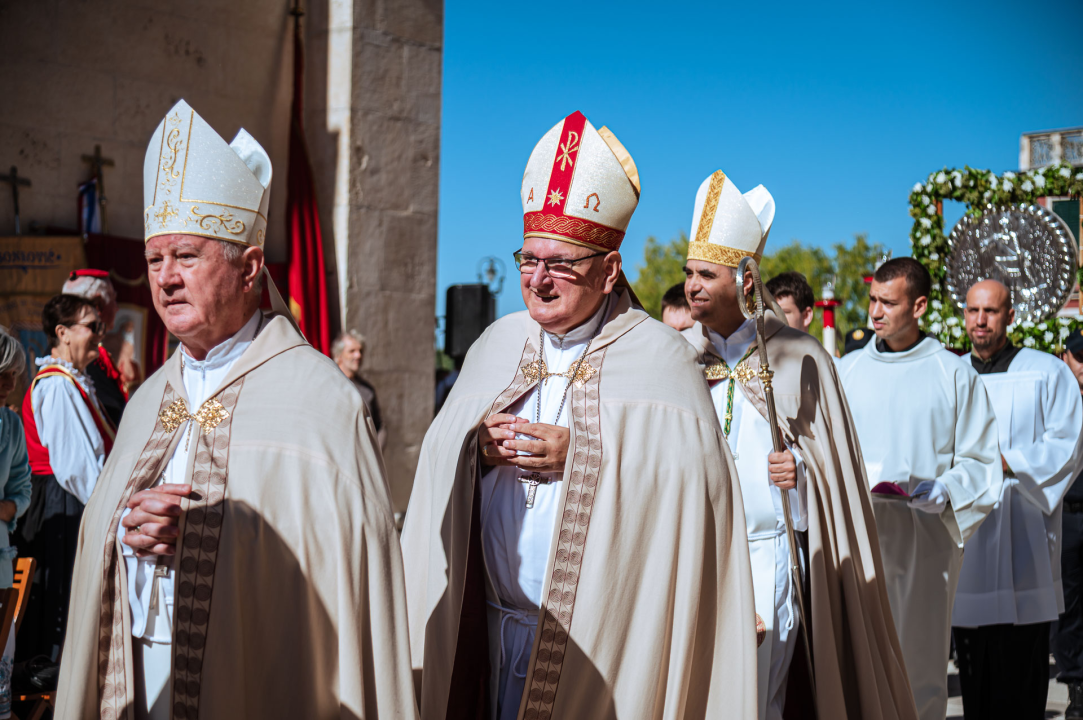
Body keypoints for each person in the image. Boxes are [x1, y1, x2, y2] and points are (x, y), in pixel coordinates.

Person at [55, 100, 416, 720]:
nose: (165, 279)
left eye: (187, 257)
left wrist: (209, 540)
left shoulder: (320, 400)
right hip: (141, 675)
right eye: (153, 260)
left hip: (268, 682)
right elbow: (100, 542)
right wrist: (125, 534)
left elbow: (347, 572)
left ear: (249, 268)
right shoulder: (147, 401)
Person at [401, 111, 757, 720]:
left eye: (561, 262)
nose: (538, 280)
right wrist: (473, 451)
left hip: (607, 649)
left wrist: (586, 454)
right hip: (488, 634)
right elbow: (435, 467)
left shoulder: (661, 357)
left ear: (609, 269)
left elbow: (696, 496)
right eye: (528, 259)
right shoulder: (495, 344)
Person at [681, 170, 916, 720]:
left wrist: (802, 473)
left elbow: (833, 471)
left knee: (759, 702)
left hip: (767, 556)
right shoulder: (678, 358)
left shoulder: (799, 355)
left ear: (744, 279)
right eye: (688, 272)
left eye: (705, 274)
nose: (692, 285)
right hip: (696, 554)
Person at [839, 258, 1002, 720]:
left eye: (888, 303)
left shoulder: (952, 373)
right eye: (872, 299)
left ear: (920, 306)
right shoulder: (847, 371)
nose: (875, 312)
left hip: (924, 542)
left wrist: (947, 489)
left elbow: (982, 460)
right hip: (860, 538)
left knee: (919, 666)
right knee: (859, 666)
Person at [949, 280, 1083, 719]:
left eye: (990, 311)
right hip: (969, 540)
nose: (980, 321)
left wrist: (1009, 463)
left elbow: (1068, 443)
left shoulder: (1045, 372)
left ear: (1010, 315)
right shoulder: (949, 374)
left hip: (1023, 532)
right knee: (974, 673)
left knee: (1021, 669)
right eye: (973, 311)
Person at [18, 294, 113, 664]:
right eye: (91, 326)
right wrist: (108, 509)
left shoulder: (74, 381)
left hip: (71, 498)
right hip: (64, 503)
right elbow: (76, 467)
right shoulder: (57, 385)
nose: (99, 334)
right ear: (63, 333)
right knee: (63, 597)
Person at [0, 331, 32, 718]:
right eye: (2, 374)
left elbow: (22, 488)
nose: (9, 383)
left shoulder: (10, 424)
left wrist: (6, 508)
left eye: (13, 374)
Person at [62, 269, 129, 426]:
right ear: (99, 304)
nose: (117, 308)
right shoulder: (84, 359)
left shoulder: (90, 353)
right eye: (114, 299)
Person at [1057, 328, 1083, 720]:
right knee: (1070, 607)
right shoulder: (1060, 402)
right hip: (1068, 512)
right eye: (1080, 357)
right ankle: (1077, 685)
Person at [332, 330, 386, 449]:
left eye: (360, 351)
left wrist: (375, 455)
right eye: (352, 351)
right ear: (339, 356)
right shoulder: (329, 385)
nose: (358, 355)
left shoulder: (367, 390)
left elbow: (379, 427)